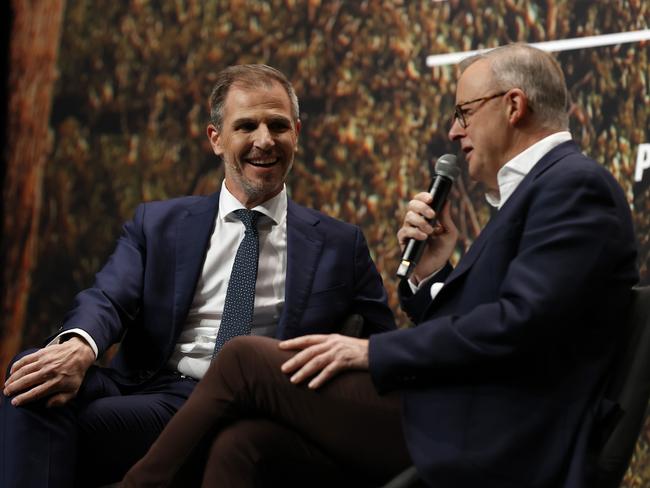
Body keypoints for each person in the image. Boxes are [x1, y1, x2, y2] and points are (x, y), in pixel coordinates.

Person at [123, 43, 639, 488]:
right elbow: (496, 321)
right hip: (456, 410)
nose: (455, 132)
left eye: (463, 112)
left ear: (513, 106)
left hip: (493, 432)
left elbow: (520, 325)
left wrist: (372, 352)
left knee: (242, 360)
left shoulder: (574, 186)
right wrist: (433, 274)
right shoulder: (545, 190)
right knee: (244, 444)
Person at [0, 64, 396, 488]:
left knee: (75, 421)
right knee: (32, 377)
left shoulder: (341, 243)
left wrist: (425, 277)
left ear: (296, 133)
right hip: (150, 390)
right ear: (216, 139)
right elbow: (109, 296)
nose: (265, 140)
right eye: (246, 126)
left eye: (278, 126)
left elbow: (384, 347)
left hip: (244, 404)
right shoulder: (159, 222)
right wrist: (79, 346)